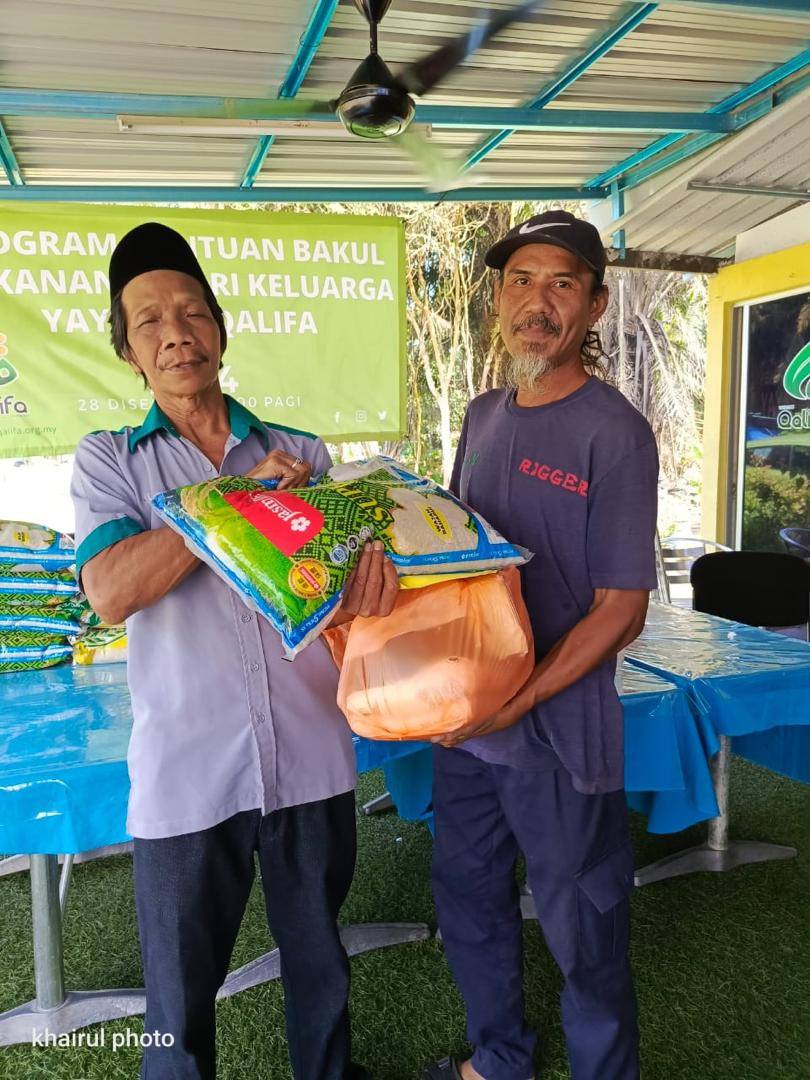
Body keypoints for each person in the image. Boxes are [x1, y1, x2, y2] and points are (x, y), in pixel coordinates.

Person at [71, 222, 397, 1080]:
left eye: (191, 312)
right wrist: (234, 501)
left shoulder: (304, 454)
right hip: (188, 773)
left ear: (220, 329)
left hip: (311, 757)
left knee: (319, 967)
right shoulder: (111, 462)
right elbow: (110, 589)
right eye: (149, 321)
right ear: (128, 351)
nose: (175, 333)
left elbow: (335, 594)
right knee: (178, 1003)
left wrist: (370, 588)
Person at [422, 211, 659, 1080]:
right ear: (499, 299)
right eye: (521, 281)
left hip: (558, 734)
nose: (537, 302)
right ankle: (500, 1059)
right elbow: (459, 560)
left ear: (594, 306)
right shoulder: (483, 415)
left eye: (562, 283)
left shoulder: (614, 432)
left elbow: (620, 609)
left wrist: (519, 700)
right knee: (469, 898)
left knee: (583, 922)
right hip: (469, 728)